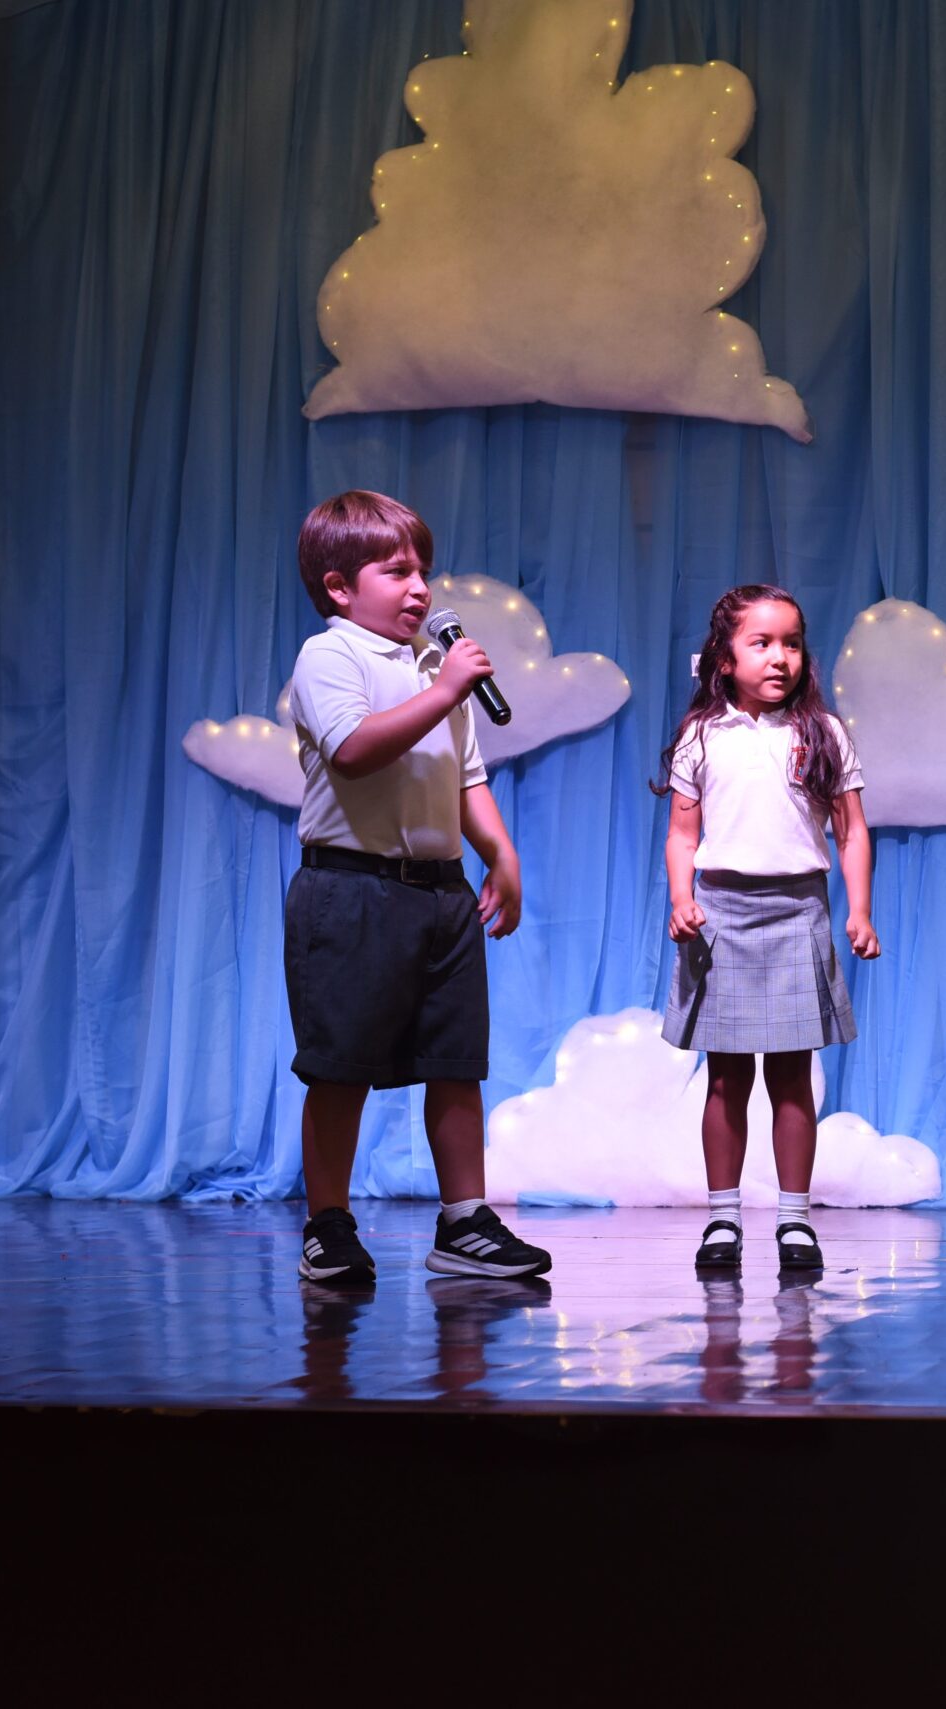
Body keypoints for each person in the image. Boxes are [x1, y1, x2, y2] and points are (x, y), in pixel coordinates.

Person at [282, 490, 551, 1284]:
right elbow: (354, 750)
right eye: (396, 571)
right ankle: (328, 1224)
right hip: (351, 889)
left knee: (455, 1059)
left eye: (422, 571)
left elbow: (466, 779)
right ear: (340, 587)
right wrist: (444, 692)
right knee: (341, 1065)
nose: (418, 588)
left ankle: (464, 1220)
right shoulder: (330, 656)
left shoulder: (437, 666)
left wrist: (500, 852)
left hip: (441, 894)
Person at [658, 585, 880, 1271]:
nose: (780, 657)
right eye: (761, 643)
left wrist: (859, 910)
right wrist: (681, 898)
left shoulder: (824, 732)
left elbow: (852, 830)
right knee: (726, 1078)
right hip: (721, 915)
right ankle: (722, 1219)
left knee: (791, 1076)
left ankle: (794, 1220)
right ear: (724, 658)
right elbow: (682, 834)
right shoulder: (702, 735)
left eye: (792, 643)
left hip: (797, 910)